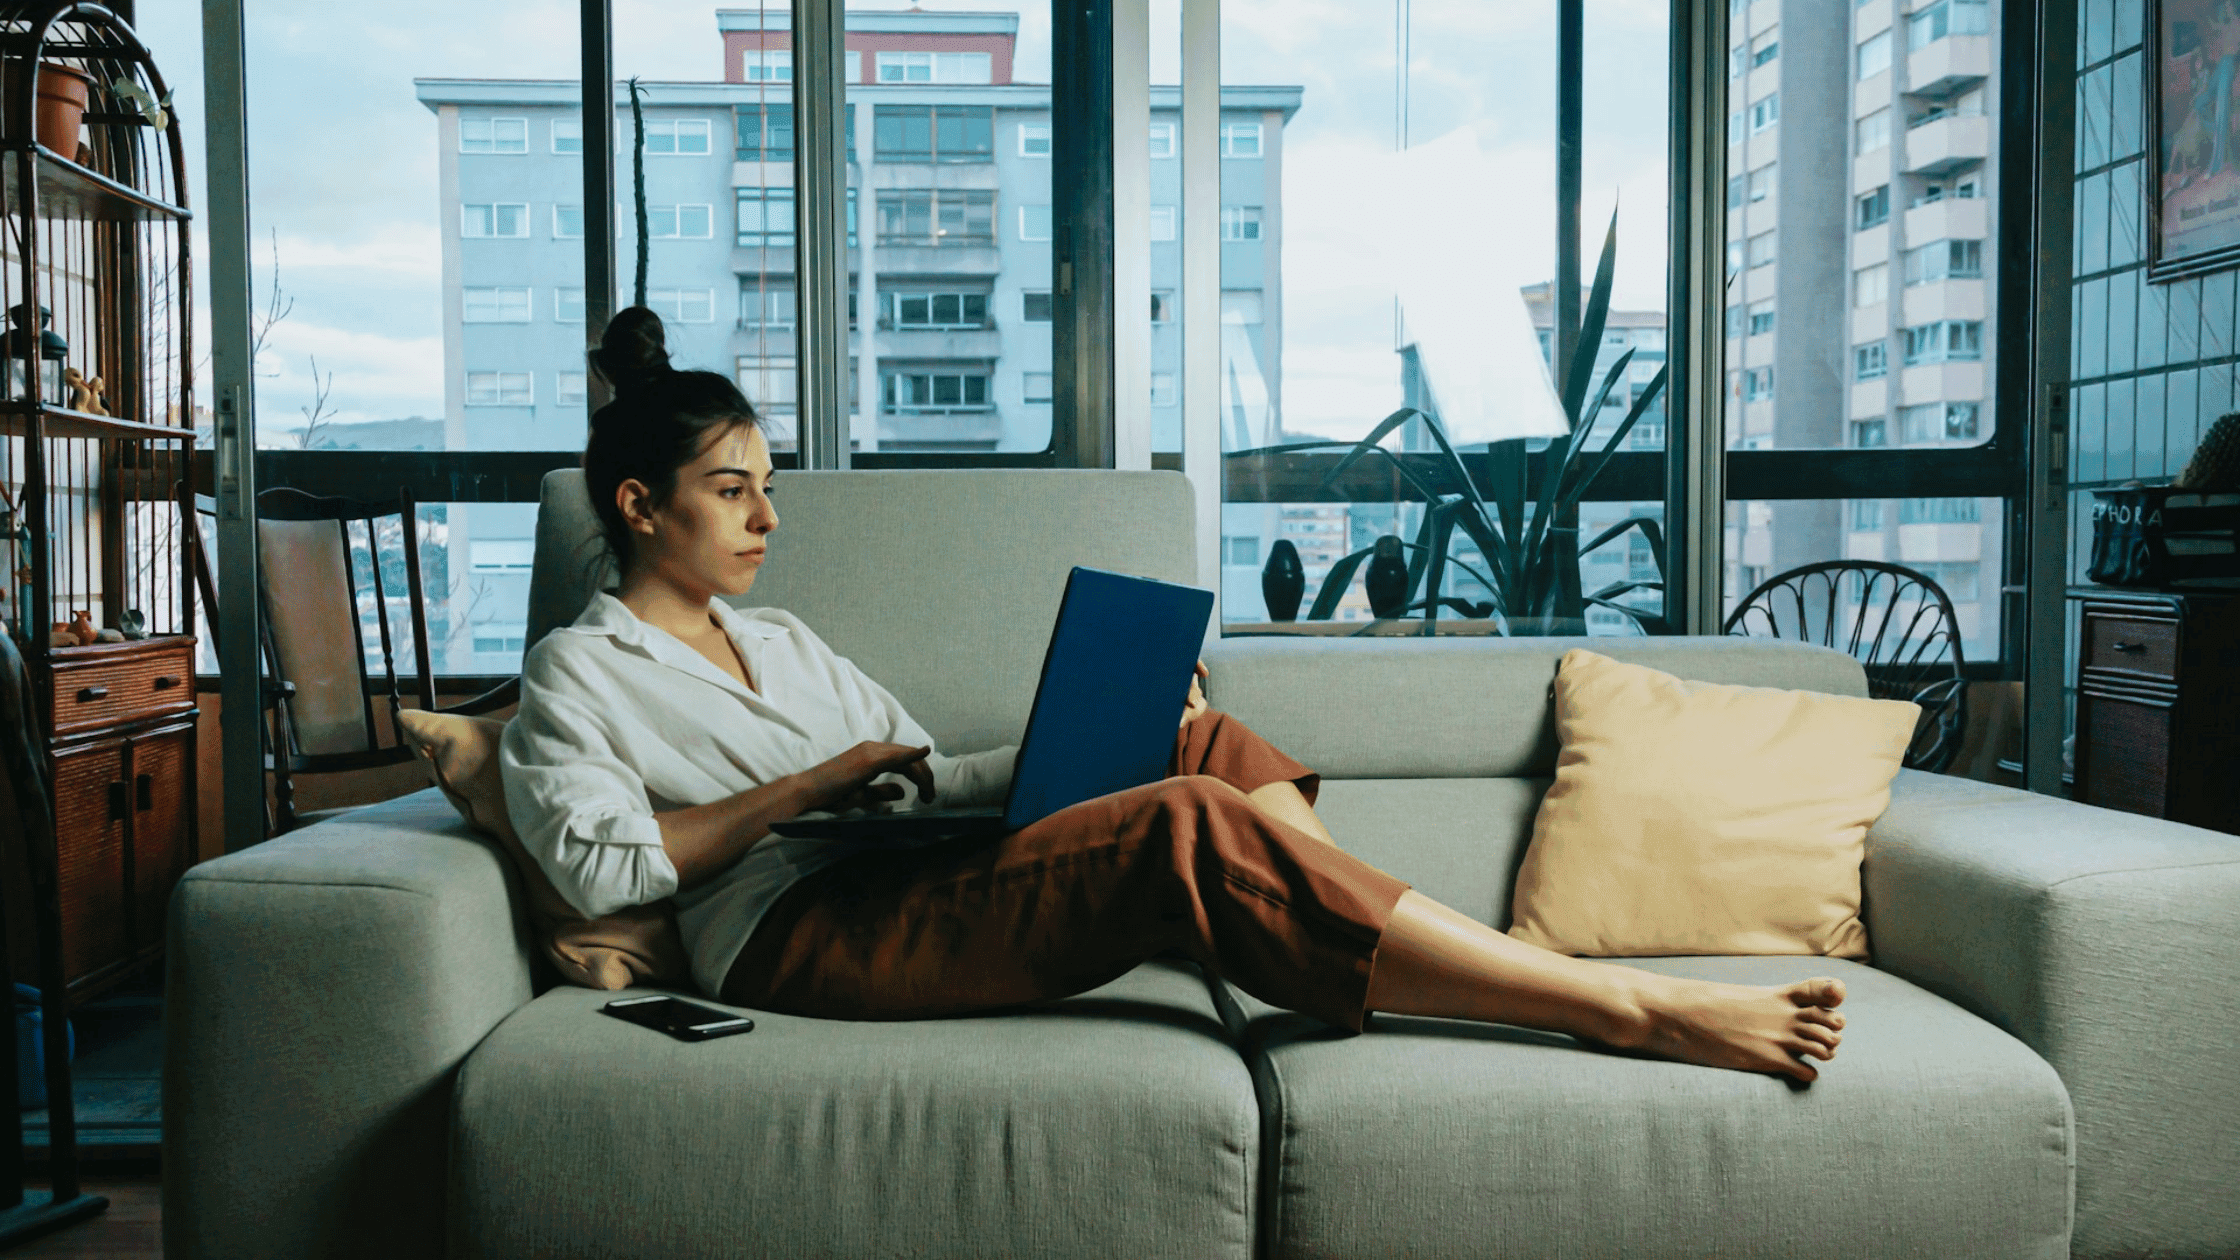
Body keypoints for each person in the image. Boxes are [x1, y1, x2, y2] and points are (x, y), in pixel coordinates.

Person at [501, 307, 1848, 1083]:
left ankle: (1379, 939)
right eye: (734, 491)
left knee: (1194, 738)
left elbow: (912, 772)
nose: (766, 519)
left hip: (895, 874)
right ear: (638, 505)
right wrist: (807, 788)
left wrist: (1094, 727)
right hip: (793, 938)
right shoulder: (578, 673)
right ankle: (1619, 1006)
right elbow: (604, 859)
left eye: (769, 487)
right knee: (1182, 824)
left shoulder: (782, 638)